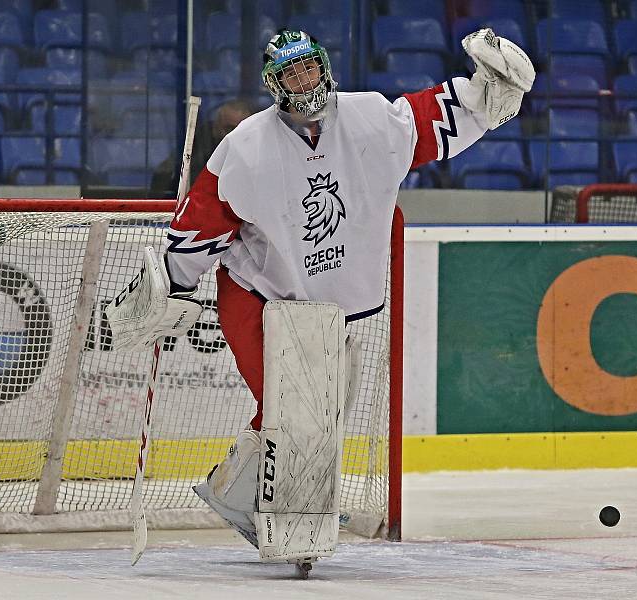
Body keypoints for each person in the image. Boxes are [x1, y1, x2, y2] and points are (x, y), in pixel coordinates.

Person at [108, 28, 534, 551]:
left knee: (316, 412)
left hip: (325, 308)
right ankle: (286, 518)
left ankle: (238, 495)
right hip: (258, 297)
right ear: (275, 83)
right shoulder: (245, 147)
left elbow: (433, 120)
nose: (305, 79)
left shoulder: (368, 118)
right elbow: (202, 226)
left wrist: (487, 98)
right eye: (292, 72)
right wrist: (166, 288)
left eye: (310, 67)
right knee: (295, 412)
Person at [149, 99, 254, 197]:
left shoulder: (252, 148)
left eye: (241, 130)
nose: (234, 135)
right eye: (229, 128)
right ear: (217, 125)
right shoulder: (197, 144)